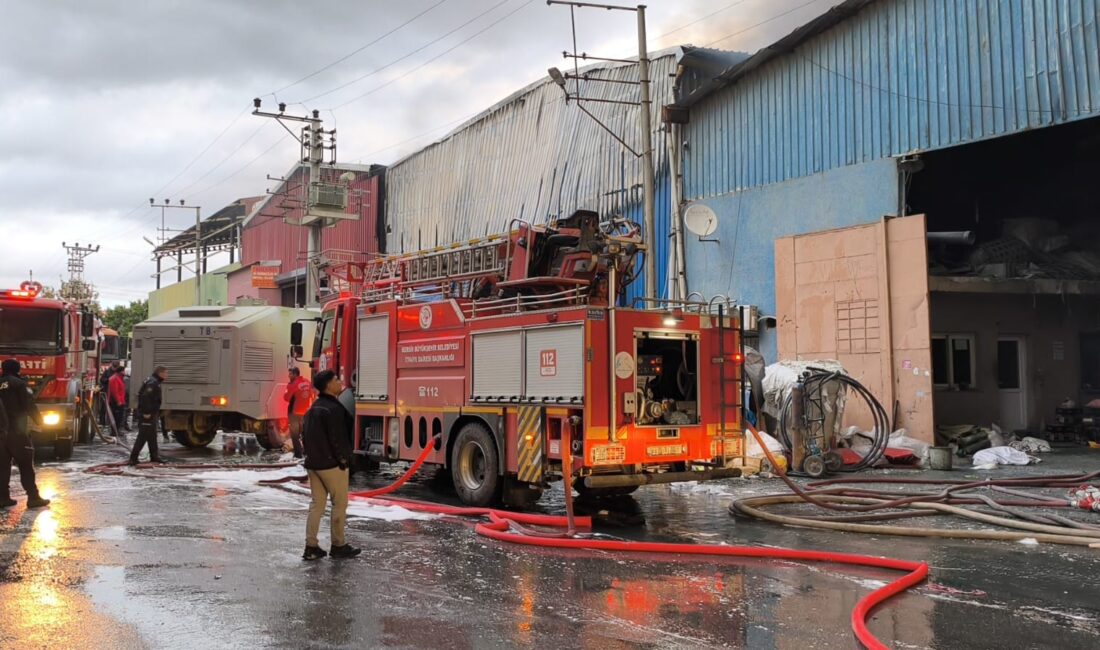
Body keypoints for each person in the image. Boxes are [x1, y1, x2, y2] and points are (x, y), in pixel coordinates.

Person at [301, 370, 360, 561]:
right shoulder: (334, 409)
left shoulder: (314, 408)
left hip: (313, 464)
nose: (340, 381)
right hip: (331, 465)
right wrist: (343, 459)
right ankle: (338, 545)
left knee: (317, 505)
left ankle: (311, 547)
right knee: (339, 504)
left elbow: (305, 436)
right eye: (336, 380)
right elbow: (338, 439)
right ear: (328, 385)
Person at [0, 359, 50, 508]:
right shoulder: (20, 384)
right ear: (17, 370)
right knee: (26, 465)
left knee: (2, 466)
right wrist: (39, 421)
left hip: (1, 433)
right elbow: (29, 404)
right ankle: (33, 498)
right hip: (18, 432)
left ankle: (3, 498)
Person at [129, 366, 167, 466]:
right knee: (143, 436)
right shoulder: (152, 383)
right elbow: (146, 398)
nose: (167, 375)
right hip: (147, 414)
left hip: (152, 413)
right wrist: (146, 412)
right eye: (165, 373)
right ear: (160, 373)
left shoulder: (154, 381)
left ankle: (154, 456)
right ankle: (133, 458)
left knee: (152, 436)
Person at [282, 367, 313, 459]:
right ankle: (308, 452)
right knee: (304, 433)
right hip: (305, 412)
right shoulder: (307, 382)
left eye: (290, 374)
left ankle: (298, 454)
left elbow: (286, 398)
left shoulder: (293, 384)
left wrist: (288, 388)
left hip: (294, 413)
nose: (289, 375)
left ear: (295, 374)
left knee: (294, 435)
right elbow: (312, 394)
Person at [98, 361, 119, 425]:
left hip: (114, 392)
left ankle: (111, 422)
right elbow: (102, 380)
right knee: (104, 408)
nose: (114, 368)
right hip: (107, 391)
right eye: (114, 367)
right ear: (112, 365)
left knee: (113, 408)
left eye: (116, 367)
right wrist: (108, 380)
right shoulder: (107, 372)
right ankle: (102, 422)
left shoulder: (117, 372)